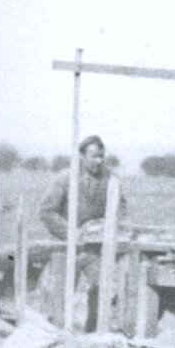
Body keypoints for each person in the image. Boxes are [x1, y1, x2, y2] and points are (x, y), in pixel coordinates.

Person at [36, 135, 116, 326]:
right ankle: (55, 331)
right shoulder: (65, 178)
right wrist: (71, 233)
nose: (98, 160)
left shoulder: (110, 178)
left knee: (102, 288)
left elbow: (120, 206)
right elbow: (46, 211)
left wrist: (105, 224)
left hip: (94, 248)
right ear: (82, 156)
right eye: (94, 156)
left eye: (101, 156)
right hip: (65, 246)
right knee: (61, 293)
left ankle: (93, 331)